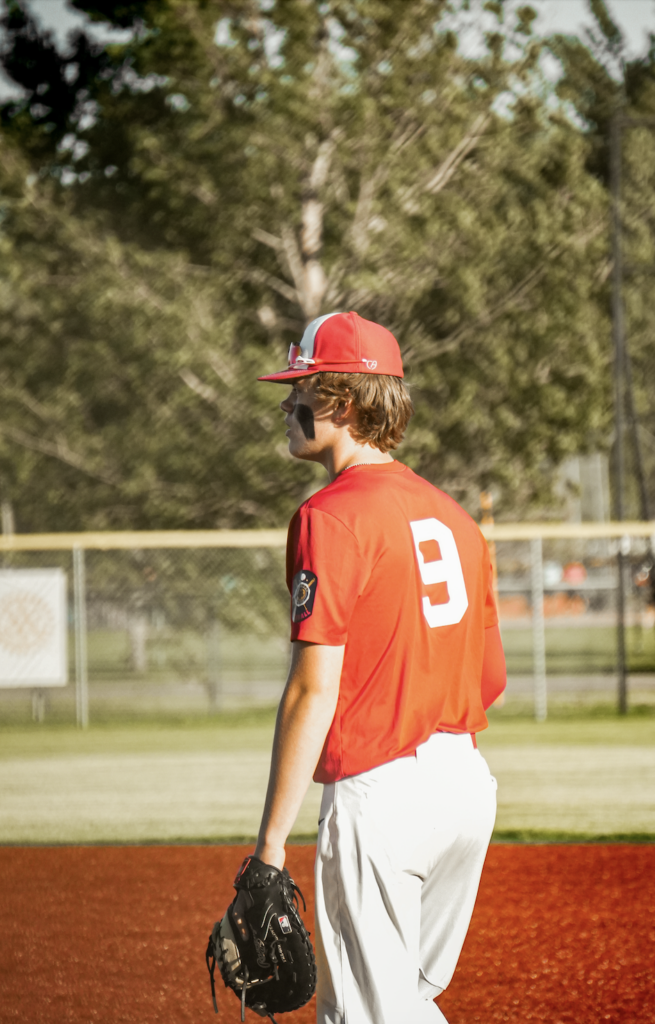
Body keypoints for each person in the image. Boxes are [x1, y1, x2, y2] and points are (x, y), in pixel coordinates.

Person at [254, 310, 506, 1024]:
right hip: (465, 790)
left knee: (365, 1016)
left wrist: (270, 850)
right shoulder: (457, 518)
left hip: (381, 800)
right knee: (402, 1004)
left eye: (299, 389)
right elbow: (489, 679)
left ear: (340, 402)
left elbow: (312, 690)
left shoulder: (329, 516)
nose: (287, 406)